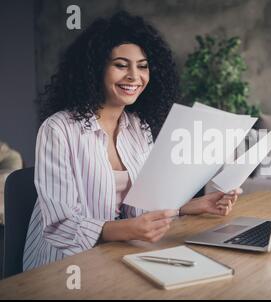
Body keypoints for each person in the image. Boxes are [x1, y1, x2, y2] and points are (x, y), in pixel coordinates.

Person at [23, 11, 240, 271]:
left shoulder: (139, 127)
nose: (134, 76)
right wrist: (126, 229)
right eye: (121, 65)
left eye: (143, 66)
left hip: (117, 253)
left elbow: (141, 207)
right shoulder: (58, 129)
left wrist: (190, 206)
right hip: (63, 267)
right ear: (95, 70)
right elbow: (61, 226)